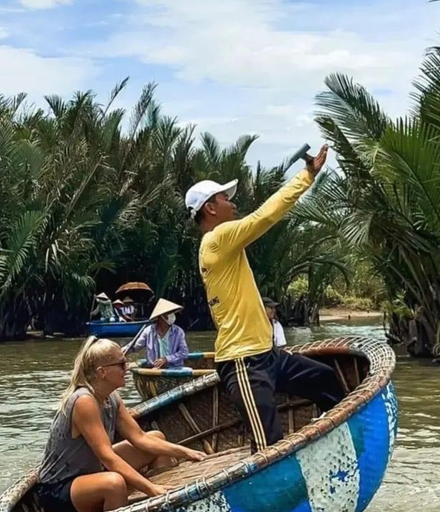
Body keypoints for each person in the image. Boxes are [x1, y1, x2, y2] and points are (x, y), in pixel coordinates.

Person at [184, 144, 345, 453]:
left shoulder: (223, 244)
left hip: (267, 355)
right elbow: (265, 216)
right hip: (243, 361)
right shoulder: (217, 239)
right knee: (268, 447)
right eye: (225, 199)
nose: (232, 204)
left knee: (324, 378)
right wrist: (307, 175)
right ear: (211, 209)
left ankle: (333, 445)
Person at [35, 336, 205, 512]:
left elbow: (139, 438)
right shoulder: (84, 401)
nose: (128, 367)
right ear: (102, 372)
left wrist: (185, 451)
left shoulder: (112, 398)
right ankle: (148, 495)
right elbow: (107, 457)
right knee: (114, 484)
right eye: (122, 364)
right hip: (58, 488)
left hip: (92, 471)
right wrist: (150, 488)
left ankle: (161, 505)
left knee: (156, 439)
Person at [123, 299, 188, 369]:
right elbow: (134, 346)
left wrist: (166, 359)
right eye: (168, 313)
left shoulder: (178, 331)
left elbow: (184, 353)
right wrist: (121, 352)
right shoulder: (148, 331)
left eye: (172, 313)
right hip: (154, 368)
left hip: (174, 368)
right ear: (160, 317)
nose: (171, 315)